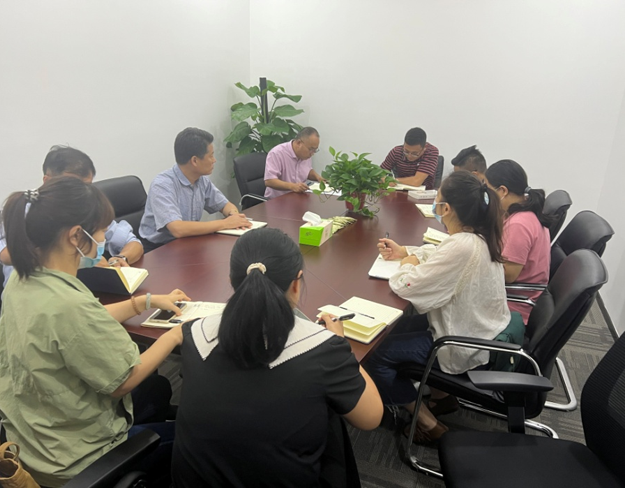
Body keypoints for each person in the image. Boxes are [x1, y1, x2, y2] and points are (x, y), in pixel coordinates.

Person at [0, 176, 190, 487]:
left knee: (158, 389)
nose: (103, 240)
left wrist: (143, 302)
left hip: (34, 435)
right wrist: (175, 335)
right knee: (194, 437)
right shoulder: (67, 304)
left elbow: (79, 324)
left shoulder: (26, 277)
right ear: (75, 236)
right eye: (101, 232)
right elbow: (125, 380)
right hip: (74, 462)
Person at [172, 228, 383, 487]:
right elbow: (371, 418)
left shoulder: (194, 333)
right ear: (297, 283)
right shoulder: (323, 348)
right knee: (331, 420)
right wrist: (341, 344)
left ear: (231, 281)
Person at [368, 171, 510, 444]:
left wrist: (406, 263)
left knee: (377, 355)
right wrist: (406, 251)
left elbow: (406, 285)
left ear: (446, 208)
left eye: (438, 199)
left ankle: (429, 425)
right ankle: (444, 399)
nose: (435, 203)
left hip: (461, 342)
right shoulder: (475, 236)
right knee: (393, 329)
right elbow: (440, 255)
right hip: (476, 328)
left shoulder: (463, 245)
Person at [0, 145, 144, 287]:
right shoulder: (27, 209)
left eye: (87, 186)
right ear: (47, 181)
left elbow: (132, 243)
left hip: (81, 290)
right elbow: (6, 255)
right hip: (35, 294)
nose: (81, 192)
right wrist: (79, 258)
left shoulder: (88, 206)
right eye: (73, 185)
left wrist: (120, 259)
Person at [140, 127, 251, 251]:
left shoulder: (201, 180)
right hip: (159, 250)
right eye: (211, 156)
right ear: (194, 160)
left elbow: (226, 205)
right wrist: (225, 223)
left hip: (187, 243)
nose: (214, 160)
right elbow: (177, 229)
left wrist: (234, 216)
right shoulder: (162, 185)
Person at [486, 159, 553, 324]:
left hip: (513, 304)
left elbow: (508, 275)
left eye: (487, 190)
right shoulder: (523, 212)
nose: (486, 196)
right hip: (514, 294)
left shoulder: (519, 224)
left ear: (502, 191)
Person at [263, 127, 325, 198]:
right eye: (311, 149)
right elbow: (269, 181)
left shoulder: (306, 154)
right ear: (299, 143)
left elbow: (307, 170)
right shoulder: (277, 153)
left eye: (315, 150)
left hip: (298, 198)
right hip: (277, 200)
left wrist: (318, 177)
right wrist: (292, 186)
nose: (312, 153)